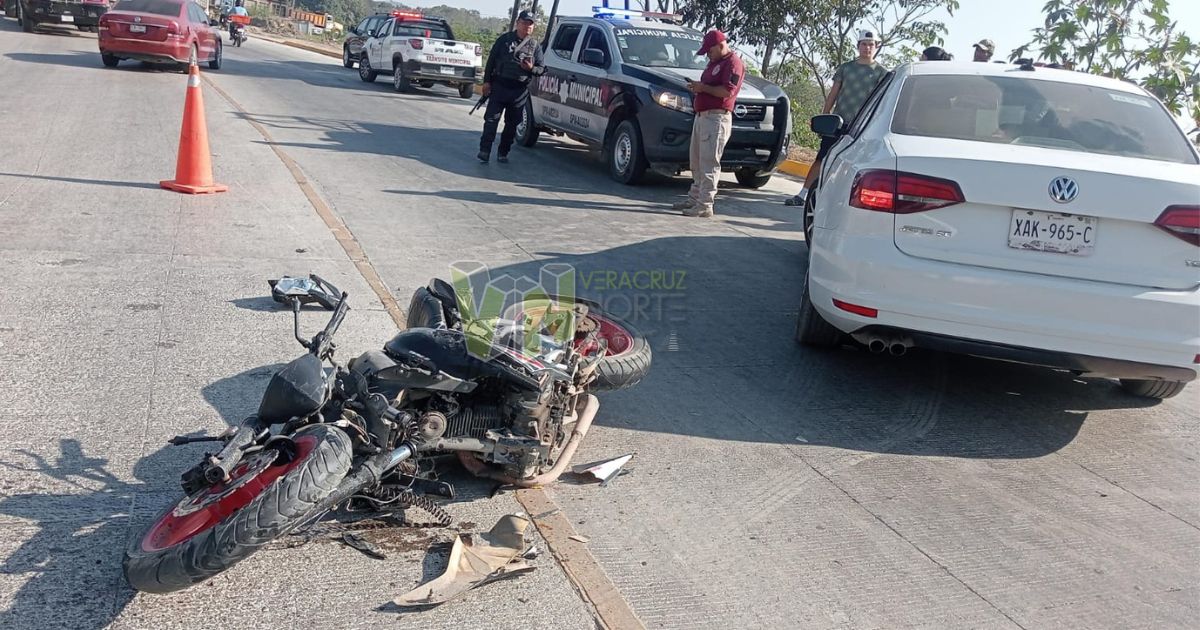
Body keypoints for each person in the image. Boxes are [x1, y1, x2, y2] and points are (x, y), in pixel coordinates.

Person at [784, 30, 889, 206]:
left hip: (863, 127)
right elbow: (833, 93)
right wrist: (825, 116)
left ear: (876, 47)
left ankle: (838, 202)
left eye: (871, 44)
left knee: (852, 164)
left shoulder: (881, 73)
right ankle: (802, 194)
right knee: (822, 158)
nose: (867, 48)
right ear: (858, 46)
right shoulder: (846, 68)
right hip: (838, 122)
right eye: (864, 44)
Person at [671, 29, 745, 218]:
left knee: (709, 163)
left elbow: (727, 91)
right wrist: (699, 88)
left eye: (710, 51)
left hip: (716, 118)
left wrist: (703, 88)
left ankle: (705, 204)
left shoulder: (733, 63)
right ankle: (694, 198)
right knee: (696, 161)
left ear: (720, 45)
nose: (708, 55)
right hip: (703, 116)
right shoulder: (715, 62)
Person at [477, 10, 545, 164]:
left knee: (512, 124)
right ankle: (485, 150)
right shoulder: (504, 40)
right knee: (491, 120)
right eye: (525, 23)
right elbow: (491, 61)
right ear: (518, 23)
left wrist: (531, 68)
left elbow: (541, 69)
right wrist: (487, 82)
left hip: (519, 91)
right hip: (499, 86)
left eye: (531, 24)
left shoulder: (535, 46)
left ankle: (503, 152)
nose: (527, 26)